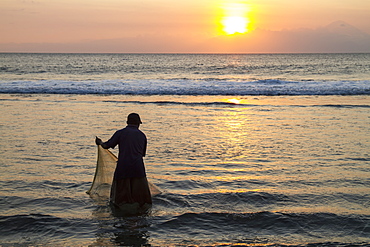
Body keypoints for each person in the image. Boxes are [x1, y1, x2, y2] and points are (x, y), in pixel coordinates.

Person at [95, 113, 152, 209]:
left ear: (127, 122)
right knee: (139, 197)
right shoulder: (142, 136)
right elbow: (142, 154)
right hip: (138, 168)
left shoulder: (120, 133)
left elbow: (106, 146)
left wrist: (100, 142)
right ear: (138, 123)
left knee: (121, 196)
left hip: (123, 167)